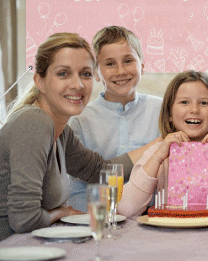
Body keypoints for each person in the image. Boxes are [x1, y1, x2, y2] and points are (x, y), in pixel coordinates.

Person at [0, 33, 143, 241]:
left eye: (85, 74)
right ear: (39, 81)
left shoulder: (61, 132)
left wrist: (161, 144)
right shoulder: (34, 122)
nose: (78, 85)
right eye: (63, 74)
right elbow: (24, 219)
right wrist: (60, 212)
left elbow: (99, 171)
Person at [118, 71, 208, 218]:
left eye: (204, 103)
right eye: (184, 102)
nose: (194, 110)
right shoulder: (158, 153)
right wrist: (157, 158)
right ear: (169, 112)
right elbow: (127, 208)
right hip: (171, 236)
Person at [67, 26, 162, 212]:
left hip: (149, 218)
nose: (120, 71)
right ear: (95, 72)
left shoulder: (162, 111)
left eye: (128, 61)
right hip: (96, 218)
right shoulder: (80, 120)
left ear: (142, 65)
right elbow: (76, 188)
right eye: (109, 64)